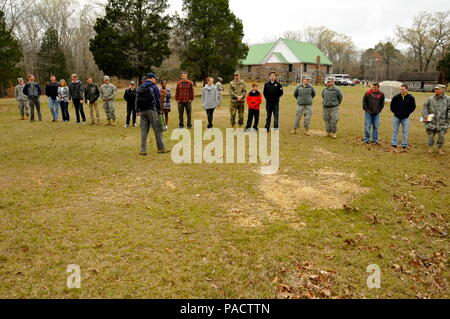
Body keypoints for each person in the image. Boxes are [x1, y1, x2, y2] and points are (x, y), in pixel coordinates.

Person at [136, 73, 169, 155]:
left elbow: (136, 99)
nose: (156, 80)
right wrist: (159, 110)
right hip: (152, 110)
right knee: (158, 130)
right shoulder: (153, 87)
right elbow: (157, 100)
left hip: (142, 111)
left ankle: (143, 150)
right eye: (155, 78)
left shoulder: (140, 87)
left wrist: (137, 110)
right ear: (151, 78)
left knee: (144, 131)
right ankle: (161, 148)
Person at [422, 84, 450, 155]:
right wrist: (425, 117)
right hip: (432, 121)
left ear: (443, 90)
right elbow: (425, 107)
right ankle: (430, 147)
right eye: (435, 89)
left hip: (442, 122)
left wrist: (448, 117)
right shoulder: (430, 98)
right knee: (430, 136)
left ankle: (439, 148)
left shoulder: (448, 99)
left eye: (438, 89)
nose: (436, 90)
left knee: (441, 136)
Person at [390, 84, 416, 149]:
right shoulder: (395, 97)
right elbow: (392, 106)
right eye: (400, 89)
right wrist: (396, 112)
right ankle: (394, 143)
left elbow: (413, 107)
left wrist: (407, 113)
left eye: (403, 89)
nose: (401, 90)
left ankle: (404, 144)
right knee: (395, 130)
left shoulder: (411, 98)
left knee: (405, 131)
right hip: (396, 117)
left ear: (406, 89)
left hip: (405, 118)